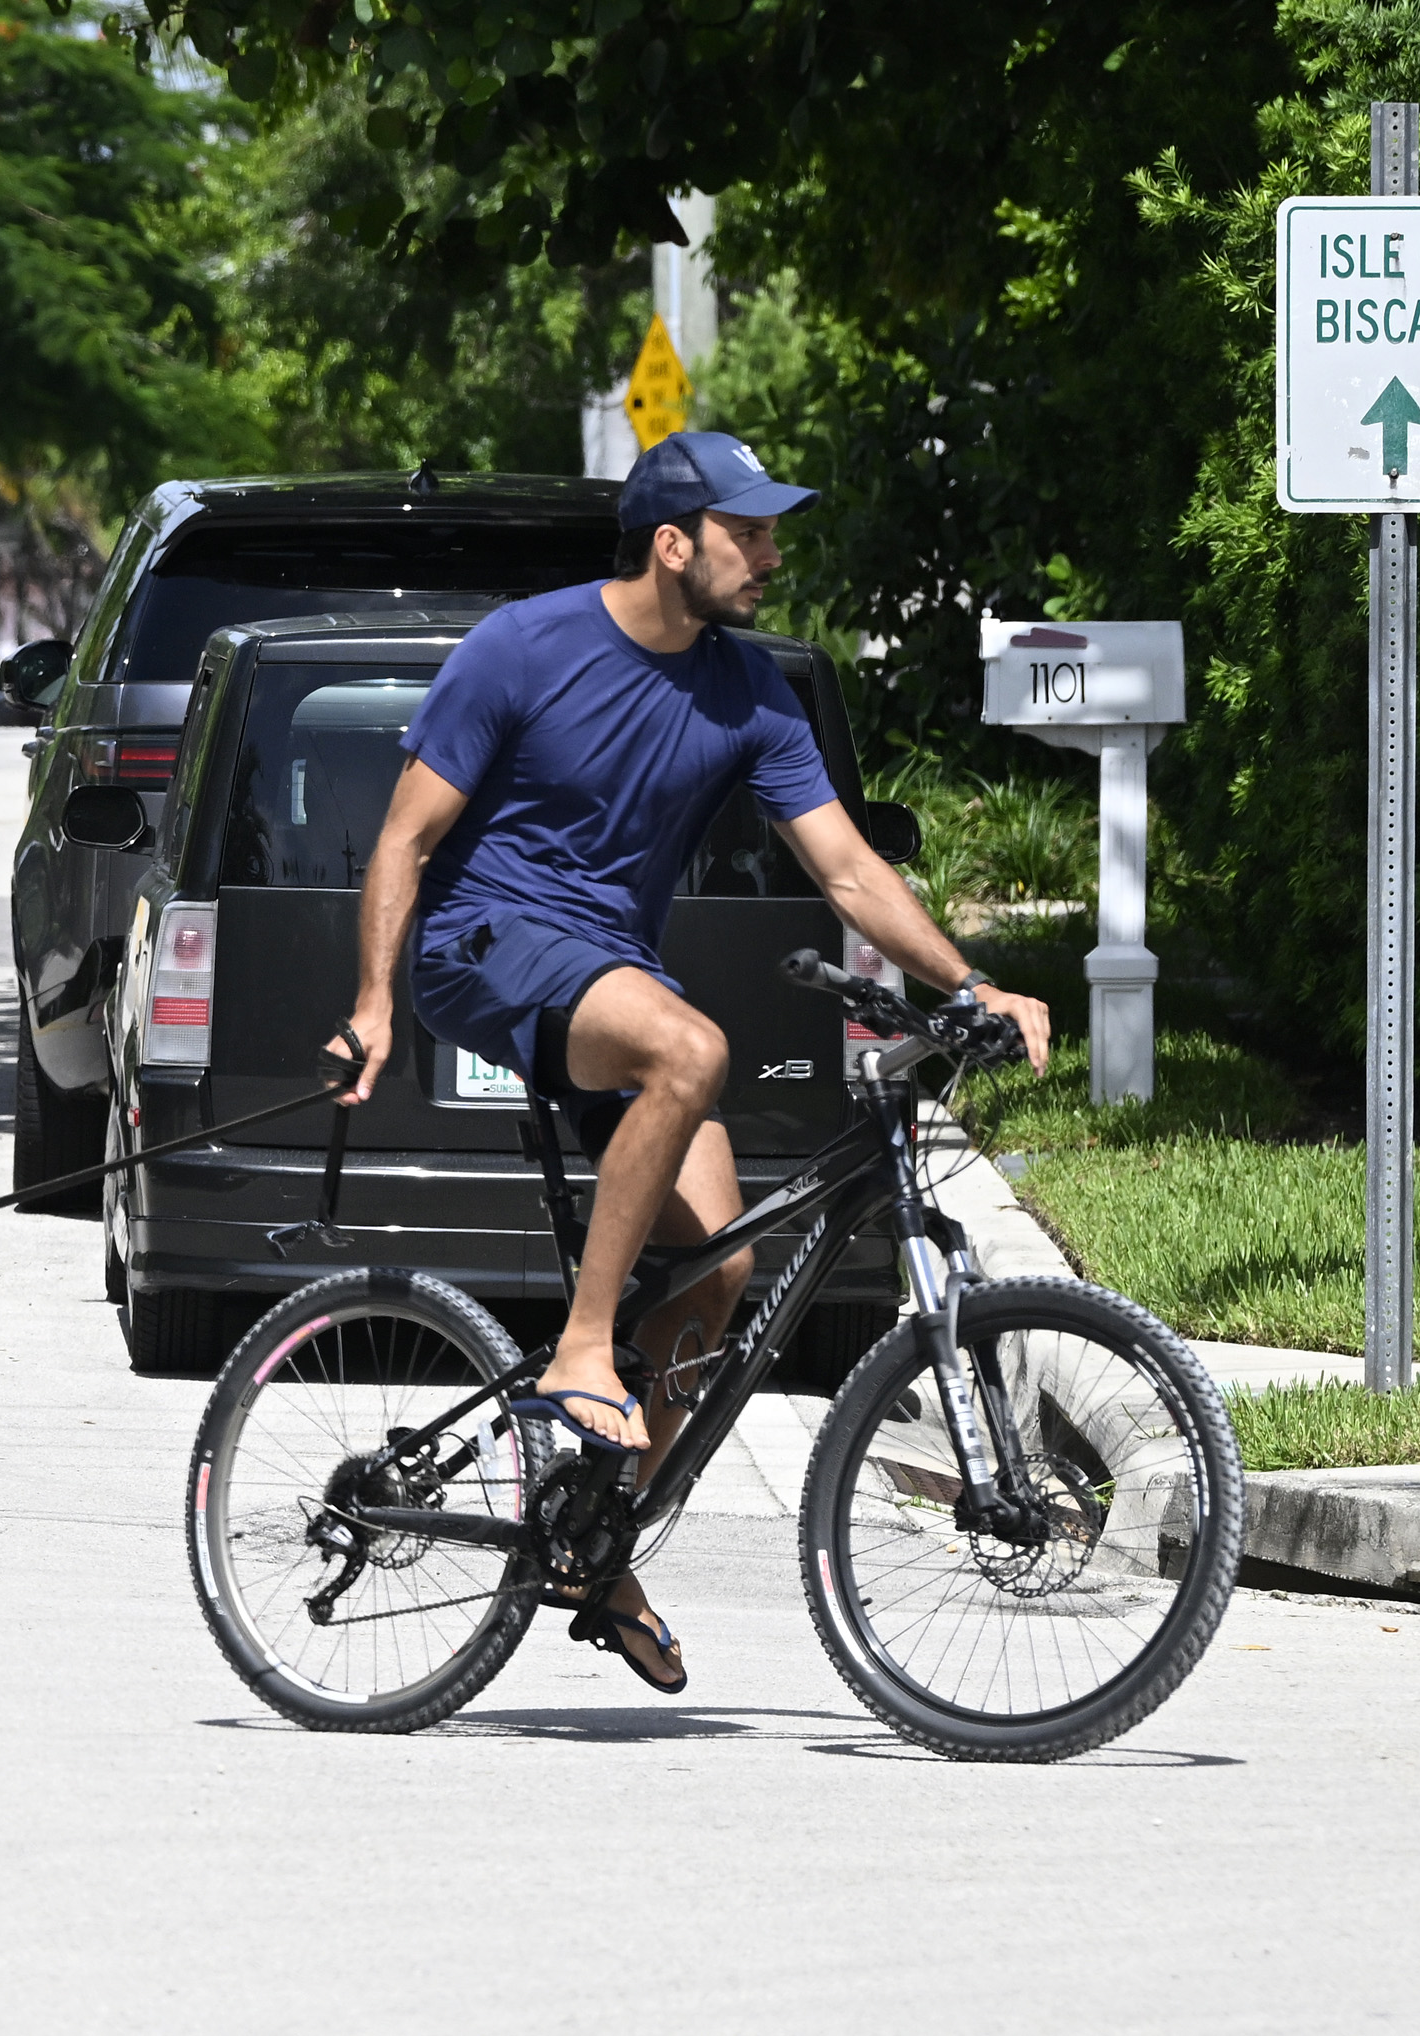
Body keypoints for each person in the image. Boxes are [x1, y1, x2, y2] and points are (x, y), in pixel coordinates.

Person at [324, 431, 1052, 1692]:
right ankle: (579, 1349)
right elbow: (401, 840)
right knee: (691, 1049)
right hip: (483, 942)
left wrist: (971, 982)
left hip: (609, 965)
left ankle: (593, 1547)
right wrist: (377, 1001)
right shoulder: (524, 645)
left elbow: (847, 869)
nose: (772, 554)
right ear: (676, 542)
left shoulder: (750, 693)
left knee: (723, 1271)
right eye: (750, 533)